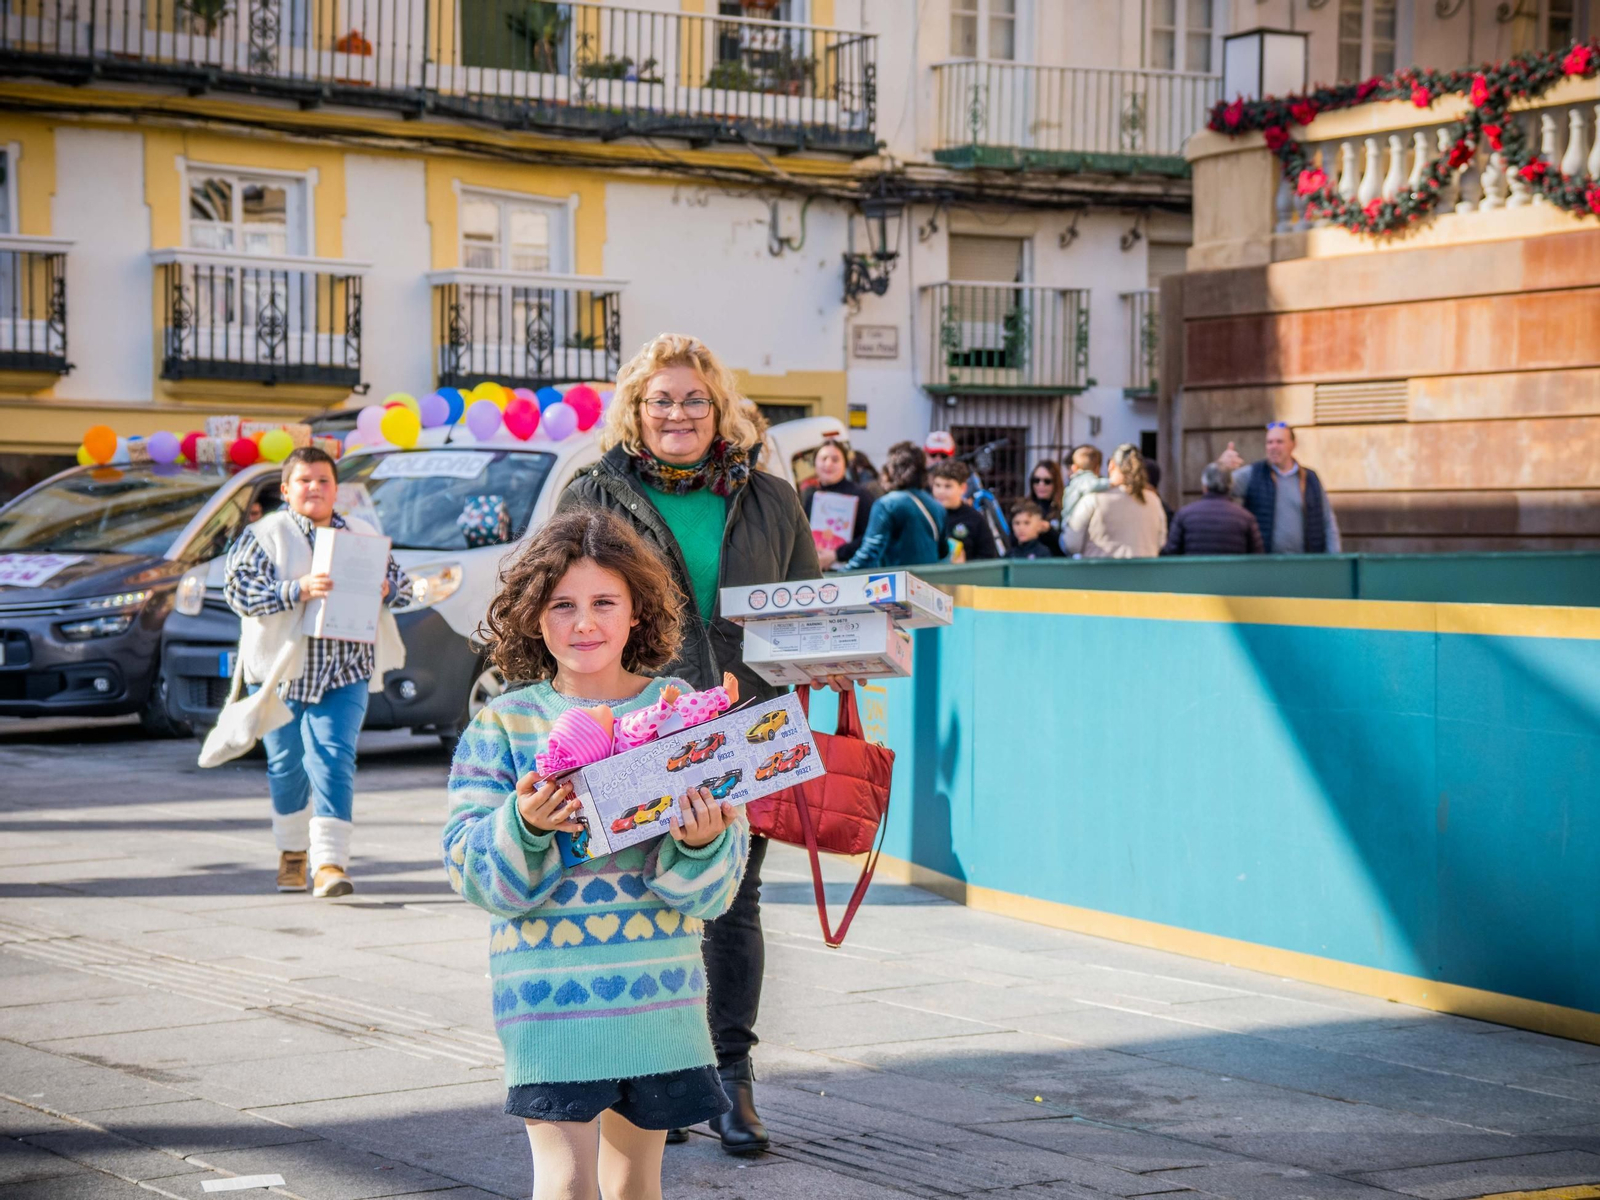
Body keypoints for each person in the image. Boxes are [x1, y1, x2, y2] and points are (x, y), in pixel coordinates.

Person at [558, 332, 816, 1155]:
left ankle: (731, 1082)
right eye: (661, 400)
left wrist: (842, 656)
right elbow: (564, 604)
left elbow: (805, 609)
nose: (679, 413)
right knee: (644, 899)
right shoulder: (595, 492)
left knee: (732, 900)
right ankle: (655, 1083)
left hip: (744, 726)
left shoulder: (771, 498)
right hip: (637, 720)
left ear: (719, 408)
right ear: (636, 410)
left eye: (694, 399)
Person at [444, 507, 748, 1200]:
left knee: (636, 1184)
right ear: (532, 616)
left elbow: (716, 892)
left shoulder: (682, 710)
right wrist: (524, 824)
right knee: (566, 1184)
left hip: (658, 993)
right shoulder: (503, 725)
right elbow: (472, 873)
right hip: (549, 999)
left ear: (638, 612)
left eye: (605, 602)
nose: (584, 623)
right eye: (563, 605)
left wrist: (703, 840)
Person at [222, 446, 410, 898]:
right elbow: (239, 591)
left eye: (323, 480)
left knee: (332, 757)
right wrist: (297, 589)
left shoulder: (362, 534)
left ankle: (329, 864)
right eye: (304, 480)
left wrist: (387, 588)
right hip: (280, 672)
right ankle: (292, 854)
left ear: (335, 489)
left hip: (346, 670)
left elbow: (404, 587)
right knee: (286, 765)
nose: (315, 488)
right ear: (286, 490)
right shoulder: (264, 534)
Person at [1215, 423, 1342, 554]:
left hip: (1305, 562)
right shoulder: (1253, 474)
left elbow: (1327, 520)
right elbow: (1214, 488)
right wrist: (1221, 467)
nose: (1273, 447)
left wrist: (1334, 558)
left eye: (1279, 442)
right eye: (1269, 442)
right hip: (1264, 562)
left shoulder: (1310, 478)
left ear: (1293, 445)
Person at [836, 441, 948, 571]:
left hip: (900, 581)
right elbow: (943, 551)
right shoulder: (937, 507)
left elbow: (870, 553)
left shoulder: (886, 505)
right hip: (929, 581)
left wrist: (840, 575)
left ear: (892, 470)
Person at [1063, 443, 1168, 559]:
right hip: (1144, 568)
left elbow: (1072, 544)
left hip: (1100, 568)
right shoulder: (1153, 499)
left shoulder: (1093, 499)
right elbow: (1161, 541)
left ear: (1111, 465)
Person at [800, 438, 875, 570]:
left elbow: (870, 536)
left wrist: (837, 554)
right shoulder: (811, 497)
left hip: (851, 572)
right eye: (823, 459)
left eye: (835, 460)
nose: (828, 464)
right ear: (815, 463)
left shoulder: (860, 495)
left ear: (845, 464)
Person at [1162, 464, 1265, 556]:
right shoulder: (1246, 518)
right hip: (1233, 572)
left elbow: (1171, 552)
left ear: (1204, 486)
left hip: (1195, 572)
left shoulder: (1184, 515)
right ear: (1231, 486)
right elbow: (1257, 558)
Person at [928, 459, 999, 562]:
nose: (941, 491)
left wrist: (965, 564)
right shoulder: (926, 514)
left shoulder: (975, 519)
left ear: (963, 488)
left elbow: (988, 558)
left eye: (948, 486)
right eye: (937, 485)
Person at [1058, 444, 1109, 548]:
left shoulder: (1077, 480)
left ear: (1074, 467)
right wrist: (1113, 482)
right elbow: (1092, 485)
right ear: (1097, 468)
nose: (1068, 474)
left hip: (1069, 526)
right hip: (1072, 528)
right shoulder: (1085, 480)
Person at [1027, 461, 1066, 556]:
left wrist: (1049, 530)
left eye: (1047, 481)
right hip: (1029, 560)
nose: (1041, 485)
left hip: (1055, 561)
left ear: (1055, 483)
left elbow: (1069, 544)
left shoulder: (1064, 508)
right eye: (1036, 480)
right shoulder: (1025, 506)